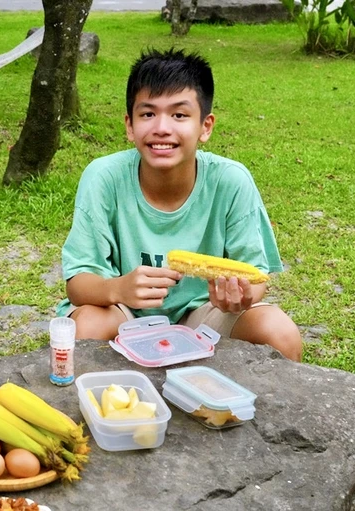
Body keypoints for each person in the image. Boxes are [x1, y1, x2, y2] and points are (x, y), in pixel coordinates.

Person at [57, 48, 302, 362]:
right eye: (148, 114)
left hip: (204, 315)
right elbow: (78, 284)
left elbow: (256, 279)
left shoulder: (231, 181)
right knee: (86, 326)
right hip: (124, 314)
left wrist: (238, 298)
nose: (162, 127)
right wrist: (119, 288)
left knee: (279, 332)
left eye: (179, 114)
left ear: (206, 126)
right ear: (129, 125)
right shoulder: (104, 178)